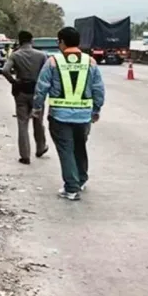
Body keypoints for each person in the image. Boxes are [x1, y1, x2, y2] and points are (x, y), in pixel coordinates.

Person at [32, 27, 105, 201]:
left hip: (60, 116)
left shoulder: (53, 62)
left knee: (66, 150)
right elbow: (98, 89)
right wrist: (96, 110)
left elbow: (42, 87)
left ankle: (71, 188)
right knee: (80, 147)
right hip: (83, 116)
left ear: (62, 42)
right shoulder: (90, 62)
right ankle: (80, 179)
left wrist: (37, 107)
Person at [1, 30, 49, 165]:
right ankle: (40, 147)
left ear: (19, 41)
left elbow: (5, 70)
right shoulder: (41, 55)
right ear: (31, 41)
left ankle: (25, 155)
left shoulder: (15, 55)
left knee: (22, 123)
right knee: (38, 121)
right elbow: (47, 73)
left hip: (21, 92)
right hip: (37, 92)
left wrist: (14, 82)